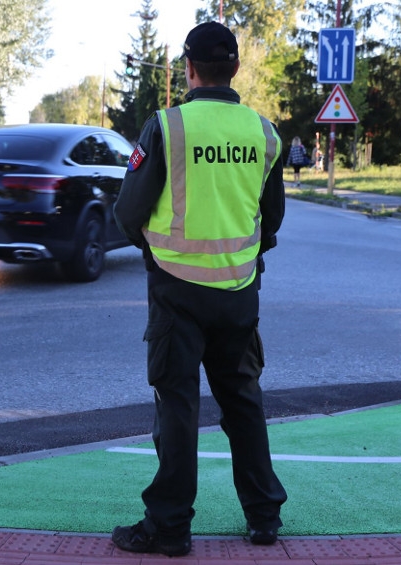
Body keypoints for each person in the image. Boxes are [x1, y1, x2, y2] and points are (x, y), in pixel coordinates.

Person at [111, 21, 287, 558]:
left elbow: (127, 213)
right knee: (243, 404)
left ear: (188, 69)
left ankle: (169, 528)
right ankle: (264, 518)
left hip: (176, 293)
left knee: (178, 407)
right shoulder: (264, 132)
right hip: (238, 292)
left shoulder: (167, 127)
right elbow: (272, 217)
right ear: (235, 68)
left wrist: (153, 250)